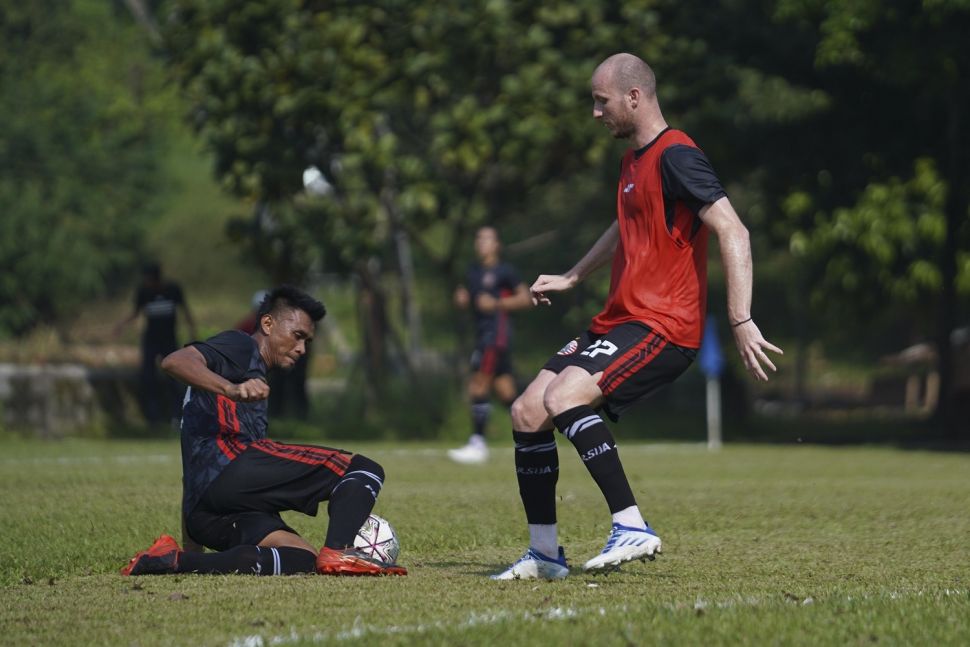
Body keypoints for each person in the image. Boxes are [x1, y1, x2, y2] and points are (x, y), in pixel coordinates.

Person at [492, 53, 783, 580]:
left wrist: (740, 319)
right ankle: (545, 555)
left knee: (564, 398)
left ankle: (631, 525)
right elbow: (623, 221)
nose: (595, 112)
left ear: (634, 97)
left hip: (664, 325)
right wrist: (574, 276)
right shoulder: (633, 161)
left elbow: (733, 230)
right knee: (527, 411)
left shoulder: (677, 155)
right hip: (620, 319)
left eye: (601, 101)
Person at [121, 285, 406, 577]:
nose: (302, 349)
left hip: (206, 511)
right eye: (298, 336)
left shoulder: (252, 377)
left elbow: (193, 468)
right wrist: (230, 388)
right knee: (363, 469)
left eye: (307, 341)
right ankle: (341, 549)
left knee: (301, 558)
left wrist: (191, 545)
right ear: (267, 324)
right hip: (231, 472)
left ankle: (174, 562)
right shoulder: (241, 346)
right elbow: (175, 361)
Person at [448, 226, 532, 464]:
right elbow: (469, 297)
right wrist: (463, 299)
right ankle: (535, 434)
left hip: (496, 336)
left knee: (478, 384)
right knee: (506, 391)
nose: (481, 243)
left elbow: (526, 298)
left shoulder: (506, 271)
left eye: (487, 239)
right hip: (483, 334)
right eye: (478, 239)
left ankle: (478, 442)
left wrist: (496, 303)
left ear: (497, 245)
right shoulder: (472, 272)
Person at [114, 262, 197, 425]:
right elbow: (136, 312)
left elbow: (185, 310)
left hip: (169, 339)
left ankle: (177, 415)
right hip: (151, 340)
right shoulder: (144, 292)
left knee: (174, 377)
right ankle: (153, 416)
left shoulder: (173, 290)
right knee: (148, 376)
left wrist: (192, 332)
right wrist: (121, 325)